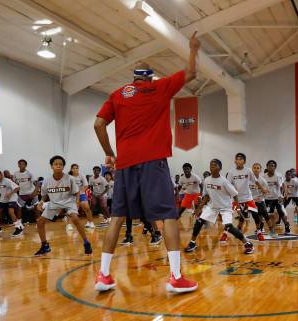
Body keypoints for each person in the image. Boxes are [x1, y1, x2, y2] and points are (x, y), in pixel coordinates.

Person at [93, 31, 201, 293]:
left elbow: (98, 124)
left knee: (117, 217)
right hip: (153, 162)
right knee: (168, 216)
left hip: (126, 165)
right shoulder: (159, 87)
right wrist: (194, 49)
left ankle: (104, 276)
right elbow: (191, 73)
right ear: (150, 78)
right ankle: (176, 277)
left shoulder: (117, 94)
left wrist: (110, 154)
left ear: (132, 79)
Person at [185, 159, 255, 254]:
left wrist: (237, 208)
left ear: (220, 168)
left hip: (225, 207)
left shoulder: (224, 181)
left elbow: (234, 195)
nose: (212, 166)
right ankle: (192, 242)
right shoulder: (206, 180)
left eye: (214, 165)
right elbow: (206, 196)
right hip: (212, 206)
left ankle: (248, 243)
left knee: (229, 227)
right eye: (211, 165)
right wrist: (199, 208)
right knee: (199, 221)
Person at [35, 156, 92, 256]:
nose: (58, 166)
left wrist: (77, 202)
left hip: (69, 202)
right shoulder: (47, 180)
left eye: (60, 164)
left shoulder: (69, 178)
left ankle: (86, 242)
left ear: (63, 166)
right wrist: (41, 202)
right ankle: (45, 246)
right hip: (54, 203)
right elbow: (44, 195)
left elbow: (77, 192)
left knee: (75, 219)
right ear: (51, 166)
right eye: (55, 164)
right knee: (40, 222)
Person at [224, 153, 267, 241]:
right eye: (237, 159)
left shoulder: (248, 171)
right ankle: (225, 233)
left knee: (255, 214)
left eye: (241, 159)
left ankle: (259, 232)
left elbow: (255, 181)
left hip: (248, 198)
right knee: (230, 215)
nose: (239, 161)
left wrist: (262, 189)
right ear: (235, 161)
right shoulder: (231, 172)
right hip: (236, 199)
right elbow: (228, 185)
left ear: (244, 161)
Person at [0, 170, 23, 237]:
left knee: (10, 211)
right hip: (3, 198)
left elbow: (17, 188)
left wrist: (10, 193)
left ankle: (18, 228)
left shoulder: (7, 180)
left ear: (1, 175)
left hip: (12, 197)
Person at [263, 160, 291, 235]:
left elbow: (283, 186)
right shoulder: (263, 176)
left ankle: (287, 226)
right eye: (269, 165)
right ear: (267, 167)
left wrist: (283, 195)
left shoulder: (278, 175)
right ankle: (260, 228)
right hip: (266, 198)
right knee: (261, 212)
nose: (271, 167)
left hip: (277, 197)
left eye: (273, 166)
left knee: (280, 212)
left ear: (275, 167)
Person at [250, 163, 274, 237]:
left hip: (260, 200)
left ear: (260, 170)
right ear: (252, 169)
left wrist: (261, 197)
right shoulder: (248, 179)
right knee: (255, 216)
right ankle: (259, 229)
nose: (256, 169)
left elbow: (267, 191)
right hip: (251, 201)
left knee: (265, 215)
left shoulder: (263, 180)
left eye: (258, 168)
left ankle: (271, 229)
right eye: (254, 168)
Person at [69, 164, 95, 229]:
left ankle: (90, 222)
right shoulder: (68, 177)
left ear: (78, 169)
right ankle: (69, 225)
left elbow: (86, 186)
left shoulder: (81, 175)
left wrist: (80, 192)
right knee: (71, 210)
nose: (75, 169)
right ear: (71, 169)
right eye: (73, 168)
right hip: (72, 195)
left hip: (81, 194)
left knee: (87, 208)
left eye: (76, 168)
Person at [14, 159, 39, 224]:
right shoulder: (15, 174)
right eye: (20, 164)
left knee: (36, 207)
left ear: (26, 165)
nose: (21, 165)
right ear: (18, 165)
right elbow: (15, 184)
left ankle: (38, 221)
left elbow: (36, 184)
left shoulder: (30, 173)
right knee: (19, 207)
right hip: (22, 194)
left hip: (32, 193)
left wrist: (35, 192)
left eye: (23, 164)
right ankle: (19, 222)